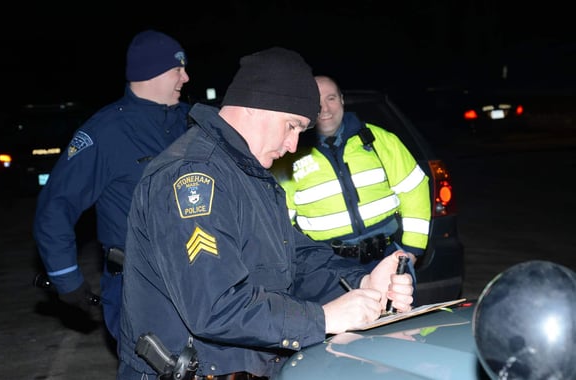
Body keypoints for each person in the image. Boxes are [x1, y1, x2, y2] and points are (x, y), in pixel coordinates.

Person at [117, 47, 414, 379]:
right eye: (292, 126)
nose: (292, 145)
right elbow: (215, 306)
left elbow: (294, 259)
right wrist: (323, 319)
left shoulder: (249, 174)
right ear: (256, 106)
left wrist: (362, 281)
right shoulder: (194, 177)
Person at [33, 29, 190, 342]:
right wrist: (66, 278)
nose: (186, 78)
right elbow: (56, 205)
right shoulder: (106, 133)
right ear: (152, 73)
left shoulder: (190, 121)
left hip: (198, 275)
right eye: (178, 69)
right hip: (140, 285)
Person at [271, 75, 431, 274]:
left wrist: (411, 252)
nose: (325, 109)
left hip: (388, 260)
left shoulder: (379, 140)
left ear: (342, 100)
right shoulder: (289, 154)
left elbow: (414, 190)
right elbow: (280, 222)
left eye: (331, 98)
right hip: (327, 269)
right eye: (316, 102)